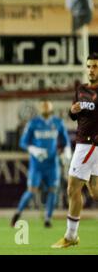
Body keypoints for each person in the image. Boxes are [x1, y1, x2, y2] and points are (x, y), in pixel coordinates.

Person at [52, 54, 98, 248]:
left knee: (72, 188)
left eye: (95, 66)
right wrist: (73, 110)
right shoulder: (81, 89)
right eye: (89, 66)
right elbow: (73, 115)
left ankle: (71, 236)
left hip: (90, 145)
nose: (91, 70)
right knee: (95, 192)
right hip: (84, 144)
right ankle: (71, 236)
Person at [10, 100, 71, 228]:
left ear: (51, 108)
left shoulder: (58, 123)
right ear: (40, 109)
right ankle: (17, 213)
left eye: (47, 107)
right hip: (37, 164)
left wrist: (66, 152)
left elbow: (66, 142)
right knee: (31, 191)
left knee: (53, 190)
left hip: (52, 163)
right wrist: (33, 149)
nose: (46, 110)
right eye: (43, 107)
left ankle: (48, 218)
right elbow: (23, 142)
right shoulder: (33, 123)